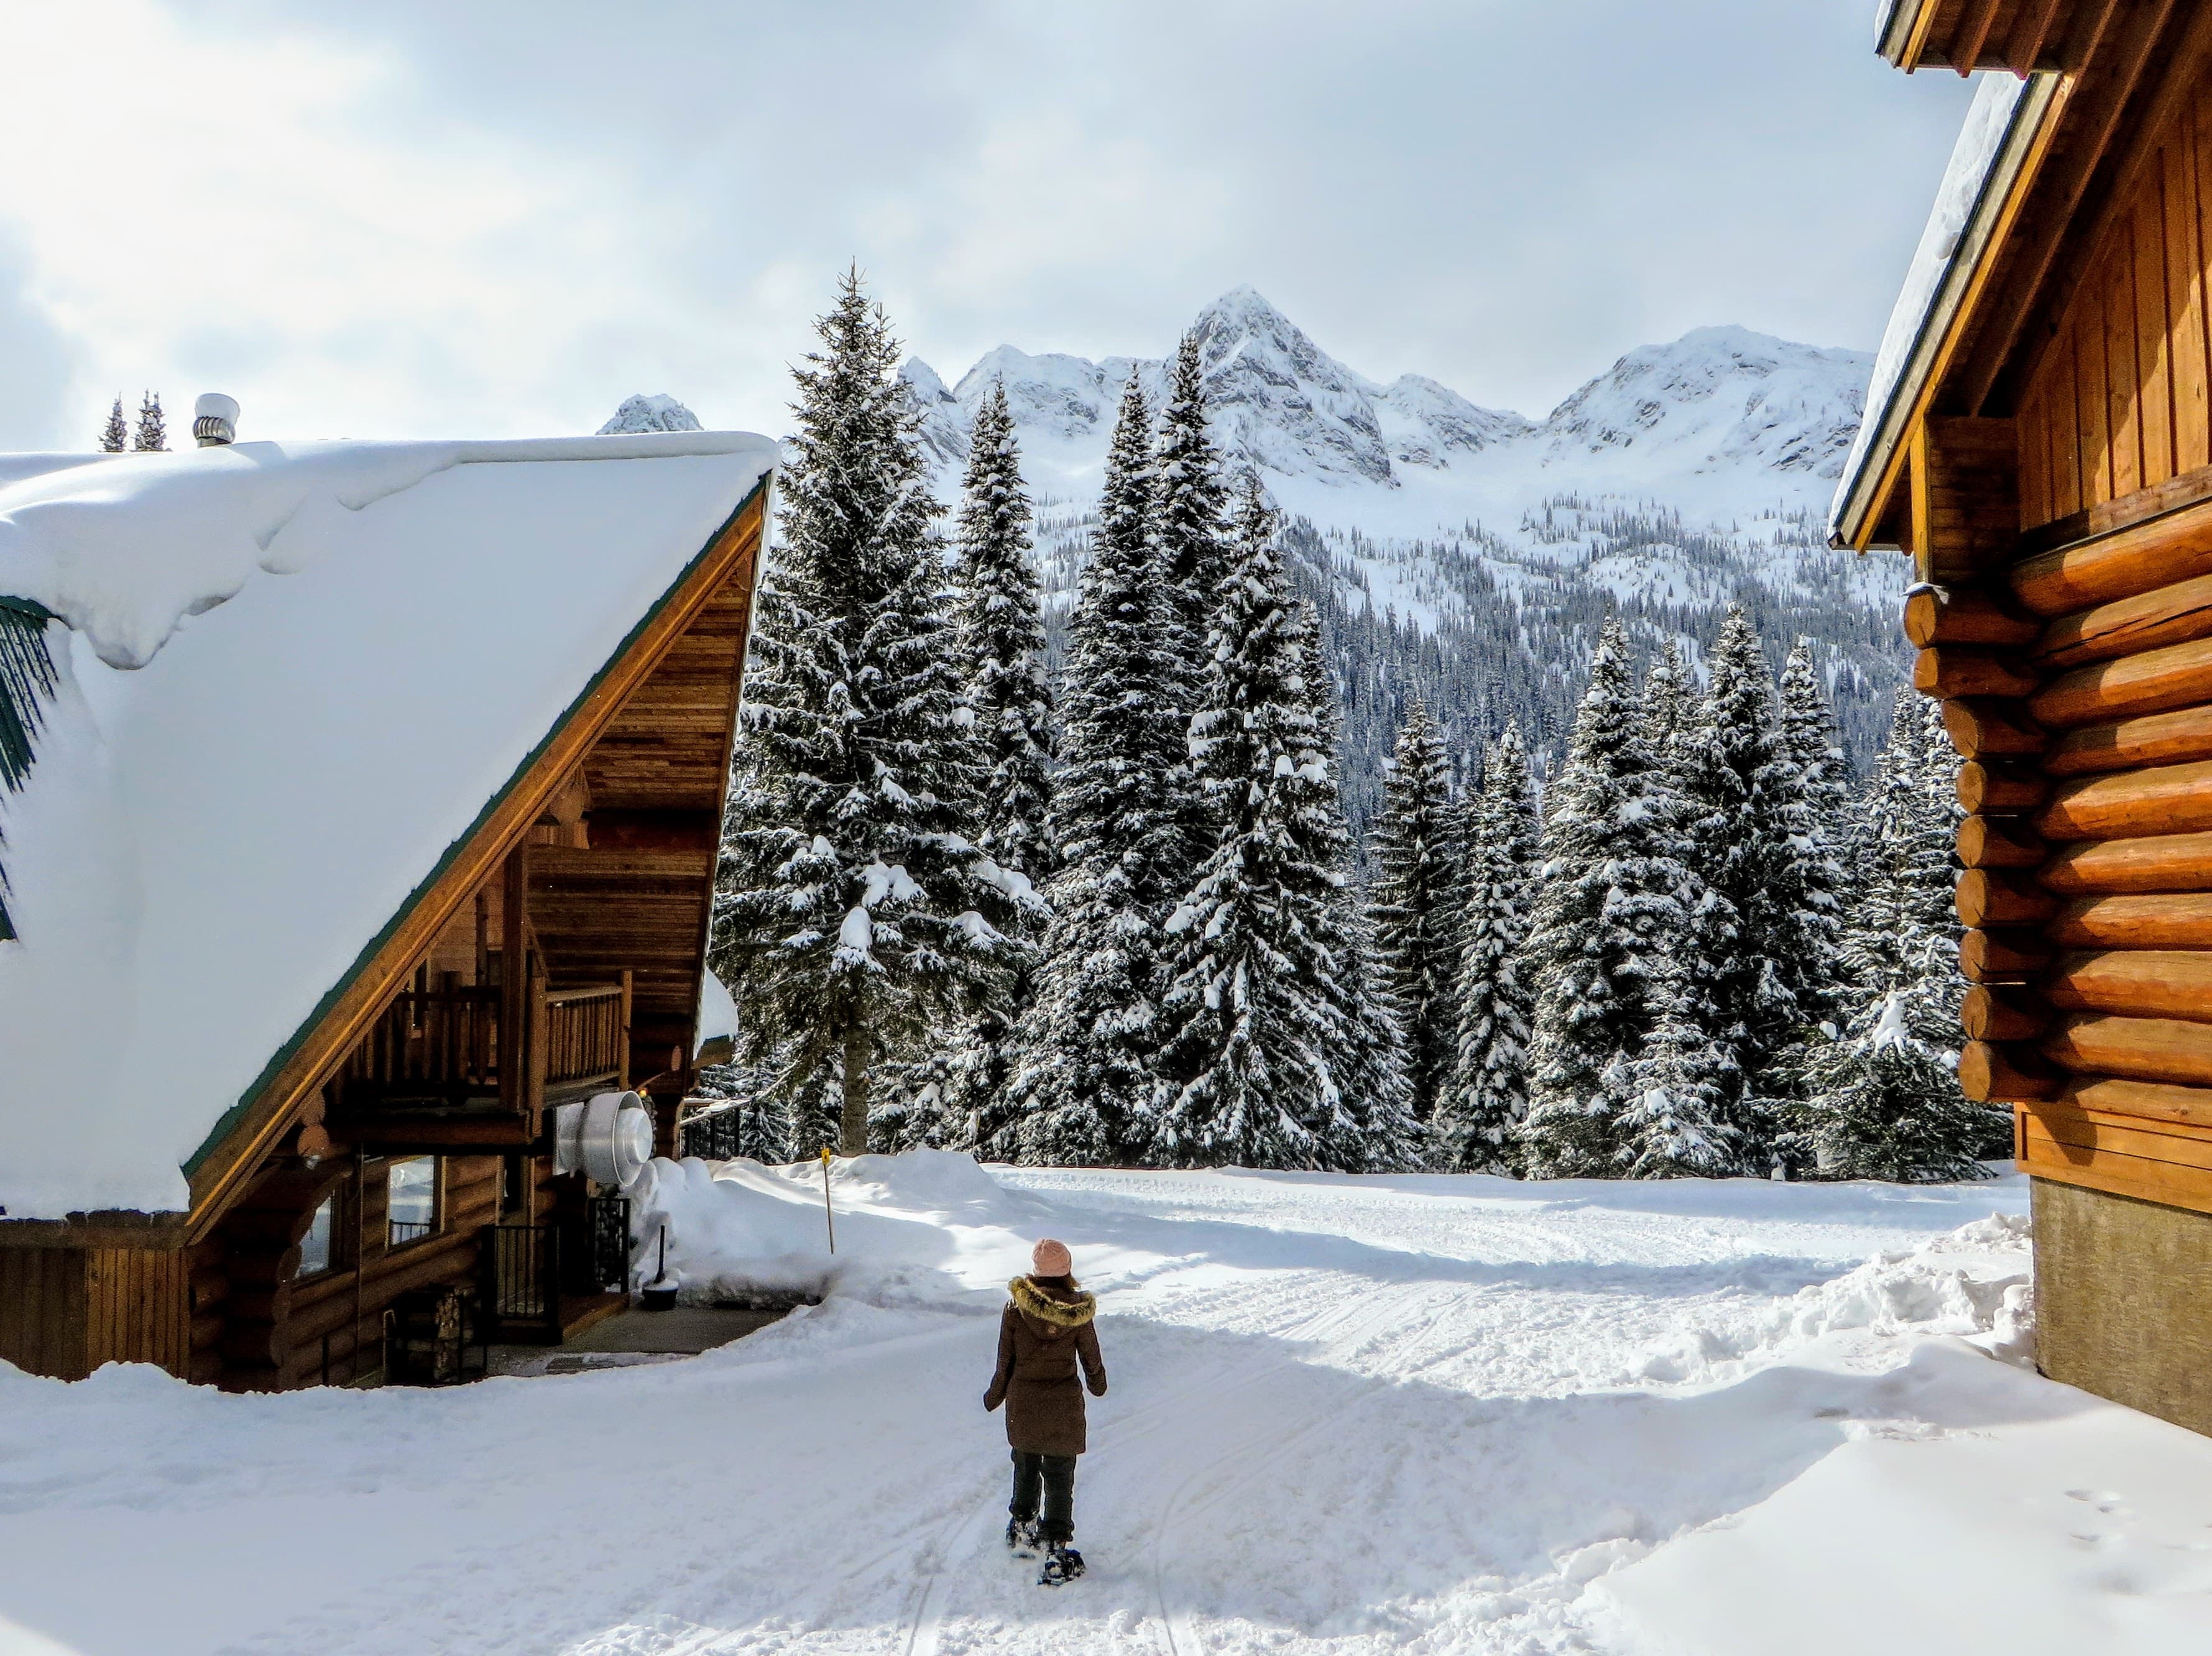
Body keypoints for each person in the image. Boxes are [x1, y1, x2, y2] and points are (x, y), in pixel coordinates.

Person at [983, 1237, 1107, 1585]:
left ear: (1035, 1271)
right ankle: (1055, 1550)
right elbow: (1091, 1358)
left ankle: (1021, 1530)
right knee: (1059, 1475)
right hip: (1063, 1405)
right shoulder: (1077, 1311)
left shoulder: (1014, 1308)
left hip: (1023, 1403)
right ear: (1067, 1270)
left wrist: (995, 1396)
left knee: (1025, 1466)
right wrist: (1098, 1384)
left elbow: (1005, 1361)